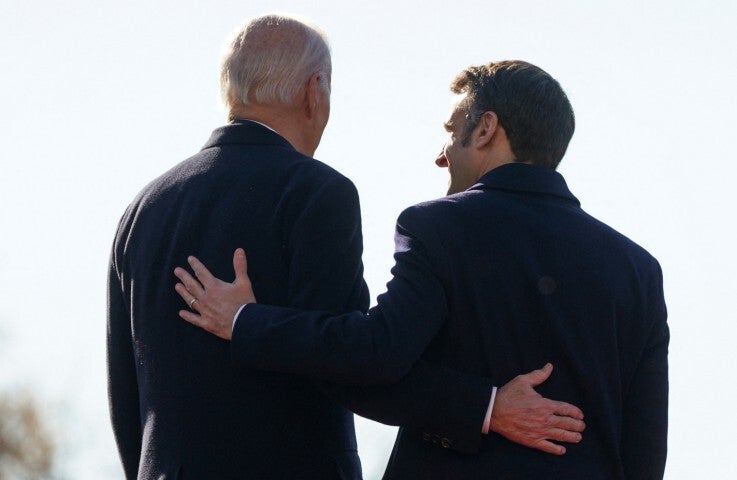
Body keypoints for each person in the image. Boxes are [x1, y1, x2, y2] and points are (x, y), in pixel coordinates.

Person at [108, 15, 584, 479]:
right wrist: (486, 407)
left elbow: (125, 392)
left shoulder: (141, 211)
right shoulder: (316, 191)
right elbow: (353, 365)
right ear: (315, 92)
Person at [175, 60, 669, 479]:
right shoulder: (639, 271)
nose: (441, 155)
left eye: (453, 132)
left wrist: (246, 321)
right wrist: (489, 406)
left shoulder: (438, 227)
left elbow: (376, 355)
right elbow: (645, 452)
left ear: (486, 128)